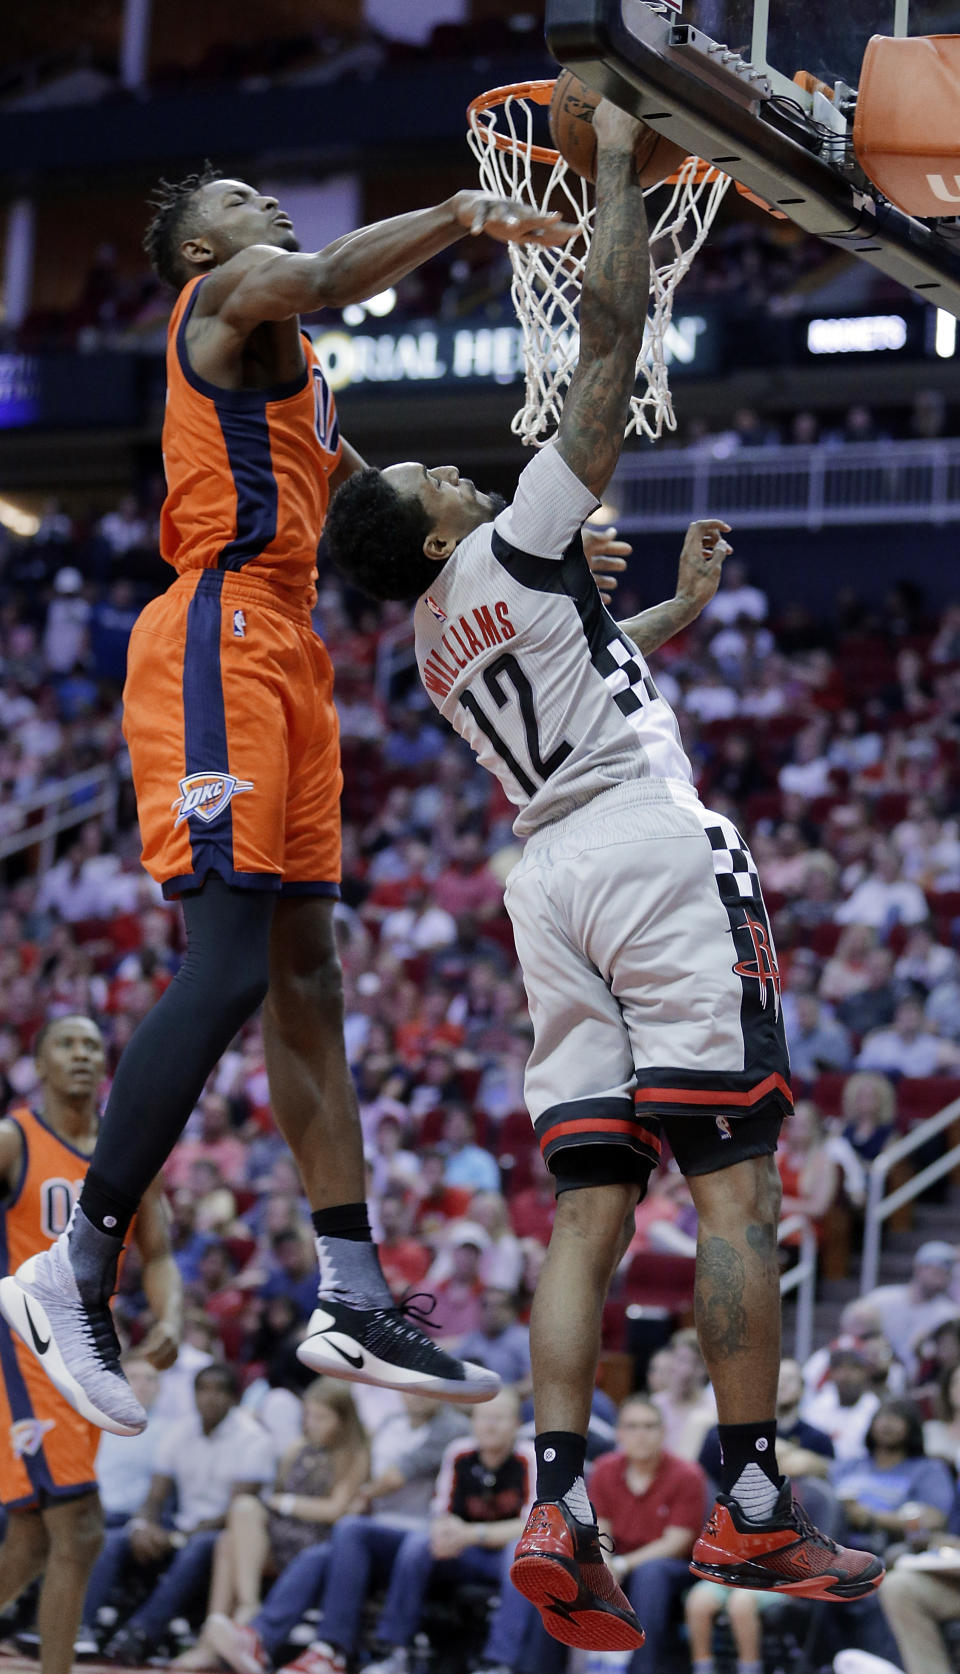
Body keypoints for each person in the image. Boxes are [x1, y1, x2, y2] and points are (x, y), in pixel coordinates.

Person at [324, 95, 883, 1649]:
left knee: (584, 1210)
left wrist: (680, 609)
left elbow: (584, 676)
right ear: (437, 530)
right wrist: (626, 169)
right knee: (734, 1196)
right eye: (443, 483)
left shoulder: (444, 644)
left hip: (544, 883)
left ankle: (554, 1499)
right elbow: (612, 347)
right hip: (646, 850)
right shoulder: (507, 549)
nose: (459, 477)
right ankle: (755, 1504)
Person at [0, 167, 577, 1431]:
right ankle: (76, 1260)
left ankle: (351, 1289)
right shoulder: (226, 297)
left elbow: (382, 523)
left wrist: (541, 556)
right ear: (202, 245)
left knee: (309, 974)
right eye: (241, 195)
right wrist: (465, 216)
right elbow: (322, 277)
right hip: (216, 632)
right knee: (228, 969)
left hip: (293, 655)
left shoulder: (308, 382)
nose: (268, 201)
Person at [0, 1017, 181, 1674]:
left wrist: (172, 1316)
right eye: (65, 1044)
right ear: (39, 1064)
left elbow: (158, 1254)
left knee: (32, 1539)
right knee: (79, 1528)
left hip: (85, 1357)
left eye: (91, 1046)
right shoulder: (13, 1140)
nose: (80, 1055)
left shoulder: (127, 1151)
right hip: (19, 1350)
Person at [87, 1362, 277, 1665]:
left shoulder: (254, 1438)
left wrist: (177, 1537)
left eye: (220, 1391)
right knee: (115, 1539)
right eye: (202, 1389)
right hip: (183, 1527)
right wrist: (142, 1525)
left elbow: (238, 1510)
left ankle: (143, 1632)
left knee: (200, 1545)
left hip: (229, 1536)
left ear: (235, 1398)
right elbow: (155, 1495)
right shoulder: (181, 1431)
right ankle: (81, 1627)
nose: (210, 1398)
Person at [187, 1379, 368, 1667]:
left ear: (343, 1419)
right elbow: (278, 1491)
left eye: (321, 1417)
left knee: (232, 1537)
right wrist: (281, 1503)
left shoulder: (355, 1456)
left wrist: (287, 1504)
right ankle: (238, 1615)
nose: (312, 1424)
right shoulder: (297, 1448)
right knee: (235, 1525)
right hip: (283, 1535)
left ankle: (234, 1631)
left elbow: (335, 1510)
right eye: (308, 1415)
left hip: (319, 1542)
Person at [590, 1396, 707, 1674]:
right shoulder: (604, 1469)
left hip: (674, 1566)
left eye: (649, 1426)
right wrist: (604, 1563)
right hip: (617, 1558)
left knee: (651, 1573)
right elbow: (600, 1527)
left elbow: (676, 1542)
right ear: (619, 1433)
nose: (640, 1435)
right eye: (632, 1427)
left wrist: (622, 1565)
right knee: (567, 1565)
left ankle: (643, 1668)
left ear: (663, 1432)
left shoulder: (687, 1475)